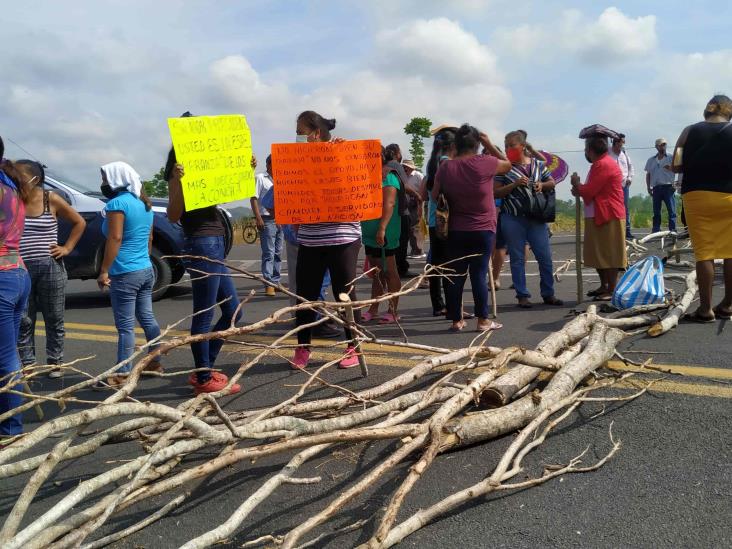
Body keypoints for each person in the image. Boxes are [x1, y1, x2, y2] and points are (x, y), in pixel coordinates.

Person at [165, 112, 243, 394]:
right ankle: (203, 377)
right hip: (200, 244)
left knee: (234, 311)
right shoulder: (177, 172)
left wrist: (244, 168)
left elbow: (230, 189)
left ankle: (205, 367)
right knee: (205, 312)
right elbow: (174, 214)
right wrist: (180, 182)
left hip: (216, 243)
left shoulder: (206, 166)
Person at [291, 110, 361, 369]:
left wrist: (343, 155)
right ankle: (302, 347)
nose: (297, 136)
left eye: (300, 132)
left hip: (343, 235)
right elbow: (288, 188)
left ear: (315, 134)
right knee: (305, 295)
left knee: (345, 293)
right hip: (310, 237)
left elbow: (358, 183)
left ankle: (354, 346)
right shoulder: (297, 160)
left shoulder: (342, 153)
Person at [432, 124, 511, 331]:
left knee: (456, 275)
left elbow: (434, 196)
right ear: (477, 144)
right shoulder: (486, 162)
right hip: (483, 228)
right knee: (479, 273)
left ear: (456, 144)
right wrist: (489, 144)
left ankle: (456, 320)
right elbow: (508, 165)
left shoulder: (446, 167)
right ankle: (483, 321)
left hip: (455, 229)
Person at [16, 160, 85, 377]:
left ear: (35, 179)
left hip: (50, 268)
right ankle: (28, 364)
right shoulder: (11, 201)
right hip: (20, 270)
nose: (14, 179)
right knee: (24, 319)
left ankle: (56, 361)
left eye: (19, 175)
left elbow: (79, 222)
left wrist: (67, 247)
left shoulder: (51, 199)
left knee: (54, 317)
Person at [96, 162, 162, 388]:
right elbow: (149, 239)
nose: (103, 183)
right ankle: (155, 362)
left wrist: (104, 270)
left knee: (125, 326)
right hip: (145, 269)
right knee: (147, 318)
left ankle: (122, 373)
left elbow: (115, 239)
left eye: (105, 178)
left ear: (116, 179)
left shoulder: (117, 204)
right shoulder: (145, 204)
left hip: (124, 272)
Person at [670, 94, 732, 322]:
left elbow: (677, 163)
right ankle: (727, 304)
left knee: (704, 253)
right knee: (730, 251)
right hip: (728, 196)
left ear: (707, 110)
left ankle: (705, 309)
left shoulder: (689, 131)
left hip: (697, 195)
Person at [259, 180, 339, 338]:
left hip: (299, 236)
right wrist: (286, 221)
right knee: (316, 281)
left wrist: (285, 221)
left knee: (302, 282)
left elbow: (268, 202)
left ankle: (303, 318)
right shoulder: (296, 174)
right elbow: (268, 203)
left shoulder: (291, 174)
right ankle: (314, 320)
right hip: (310, 237)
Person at [494, 131, 563, 308]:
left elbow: (551, 183)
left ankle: (549, 293)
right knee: (517, 258)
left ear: (522, 146)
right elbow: (496, 192)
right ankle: (522, 295)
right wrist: (514, 185)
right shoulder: (504, 167)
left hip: (537, 218)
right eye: (506, 145)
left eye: (511, 145)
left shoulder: (538, 165)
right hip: (512, 217)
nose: (508, 148)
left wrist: (542, 185)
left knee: (545, 257)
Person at [0, 140, 32, 439]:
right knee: (7, 355)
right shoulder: (10, 186)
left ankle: (10, 431)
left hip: (3, 276)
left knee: (5, 358)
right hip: (17, 272)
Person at [571, 135, 628, 301]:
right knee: (598, 254)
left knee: (609, 254)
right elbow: (590, 189)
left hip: (608, 214)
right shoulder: (600, 164)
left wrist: (577, 185)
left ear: (589, 150)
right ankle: (604, 286)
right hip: (598, 213)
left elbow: (589, 191)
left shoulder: (604, 164)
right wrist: (579, 189)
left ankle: (612, 289)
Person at [361, 147, 402, 323]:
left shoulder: (389, 177)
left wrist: (382, 228)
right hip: (369, 231)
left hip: (385, 231)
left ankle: (393, 310)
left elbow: (390, 203)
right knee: (376, 272)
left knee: (389, 271)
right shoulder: (364, 176)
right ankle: (374, 308)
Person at [421, 128, 456, 316]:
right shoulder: (447, 164)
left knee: (436, 263)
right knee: (450, 265)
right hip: (449, 220)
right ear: (452, 146)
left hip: (435, 219)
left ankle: (438, 304)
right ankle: (451, 305)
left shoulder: (432, 163)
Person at [251, 155, 283, 297]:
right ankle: (269, 283)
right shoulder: (260, 178)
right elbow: (253, 198)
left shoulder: (281, 178)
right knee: (268, 252)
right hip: (266, 219)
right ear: (268, 164)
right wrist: (258, 218)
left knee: (278, 252)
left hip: (280, 219)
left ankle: (276, 281)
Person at [385, 144, 412, 277]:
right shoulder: (396, 165)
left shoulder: (384, 167)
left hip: (390, 212)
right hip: (401, 211)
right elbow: (404, 185)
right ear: (396, 153)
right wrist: (417, 195)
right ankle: (400, 268)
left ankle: (393, 267)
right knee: (402, 241)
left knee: (391, 241)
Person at [645, 138, 677, 233]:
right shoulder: (651, 160)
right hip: (656, 188)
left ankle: (673, 230)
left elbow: (679, 169)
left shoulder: (671, 157)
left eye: (664, 144)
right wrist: (648, 187)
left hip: (668, 187)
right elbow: (648, 174)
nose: (663, 146)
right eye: (661, 145)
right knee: (656, 211)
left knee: (671, 210)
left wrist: (671, 168)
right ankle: (656, 230)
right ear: (656, 147)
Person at [608, 134, 635, 239]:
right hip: (611, 187)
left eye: (623, 142)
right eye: (621, 142)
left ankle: (626, 232)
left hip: (623, 186)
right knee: (612, 208)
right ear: (615, 142)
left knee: (625, 209)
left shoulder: (624, 153)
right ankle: (614, 231)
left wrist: (630, 178)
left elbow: (630, 167)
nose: (623, 144)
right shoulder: (608, 152)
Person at [401, 159, 425, 258]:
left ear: (411, 167)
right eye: (404, 166)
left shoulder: (418, 175)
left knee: (416, 227)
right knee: (409, 227)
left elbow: (423, 189)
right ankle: (413, 249)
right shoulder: (402, 176)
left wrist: (420, 203)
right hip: (406, 203)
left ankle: (419, 250)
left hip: (417, 202)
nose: (405, 168)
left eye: (406, 166)